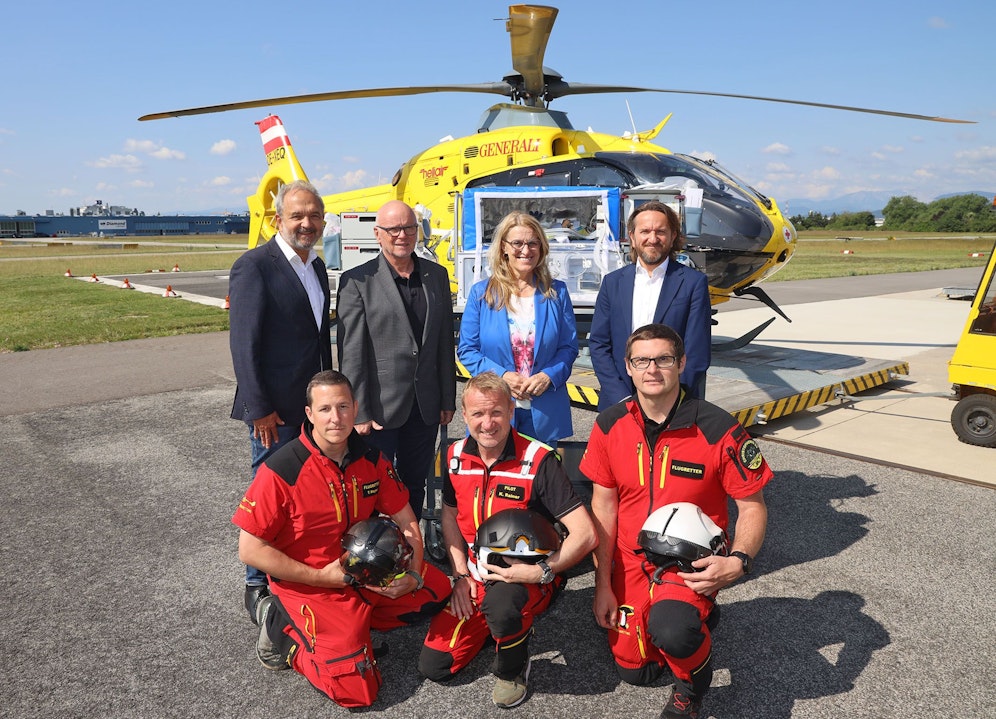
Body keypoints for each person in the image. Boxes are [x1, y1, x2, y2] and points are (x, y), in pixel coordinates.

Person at [581, 323, 772, 719]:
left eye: (664, 359)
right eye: (642, 360)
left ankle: (692, 689)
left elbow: (752, 506)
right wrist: (602, 584)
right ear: (628, 368)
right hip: (631, 561)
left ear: (681, 363)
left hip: (687, 563)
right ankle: (699, 617)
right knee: (638, 672)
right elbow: (603, 506)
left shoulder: (720, 429)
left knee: (673, 633)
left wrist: (738, 562)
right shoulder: (608, 425)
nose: (653, 369)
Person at [232, 370, 451, 707]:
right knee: (358, 691)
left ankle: (353, 630)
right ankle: (285, 633)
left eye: (343, 407)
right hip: (313, 584)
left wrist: (415, 573)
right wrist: (322, 576)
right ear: (309, 414)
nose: (336, 418)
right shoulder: (282, 470)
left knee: (436, 589)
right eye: (325, 409)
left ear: (355, 408)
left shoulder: (370, 458)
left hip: (365, 573)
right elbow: (249, 549)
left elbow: (407, 519)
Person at [418, 372, 597, 708]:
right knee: (436, 666)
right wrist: (459, 576)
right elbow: (449, 516)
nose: (488, 423)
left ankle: (512, 668)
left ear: (511, 410)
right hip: (474, 576)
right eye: (478, 414)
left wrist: (543, 570)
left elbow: (585, 533)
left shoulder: (538, 460)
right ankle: (498, 625)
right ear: (464, 414)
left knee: (503, 607)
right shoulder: (454, 455)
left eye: (496, 412)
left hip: (527, 577)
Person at [228, 179, 333, 624]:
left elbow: (317, 340)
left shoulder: (318, 267)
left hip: (310, 408)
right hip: (273, 411)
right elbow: (243, 344)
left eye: (313, 216)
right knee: (268, 497)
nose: (306, 223)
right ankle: (257, 586)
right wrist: (259, 409)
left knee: (305, 496)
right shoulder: (255, 266)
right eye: (297, 216)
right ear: (278, 220)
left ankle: (292, 574)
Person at [336, 200, 456, 520]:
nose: (401, 235)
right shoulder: (356, 281)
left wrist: (447, 397)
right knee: (373, 487)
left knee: (415, 484)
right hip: (378, 410)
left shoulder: (437, 276)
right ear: (378, 234)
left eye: (409, 228)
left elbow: (444, 342)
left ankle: (410, 548)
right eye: (393, 229)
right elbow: (351, 353)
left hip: (426, 405)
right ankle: (376, 554)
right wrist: (356, 410)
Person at [457, 211, 579, 445]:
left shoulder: (557, 293)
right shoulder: (482, 294)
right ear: (503, 247)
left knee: (541, 479)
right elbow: (468, 350)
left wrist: (548, 376)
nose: (526, 250)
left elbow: (568, 348)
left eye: (533, 243)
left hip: (544, 409)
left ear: (541, 248)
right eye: (517, 243)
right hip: (495, 408)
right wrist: (502, 376)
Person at [589, 200, 711, 408]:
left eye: (661, 231)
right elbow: (599, 344)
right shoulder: (613, 283)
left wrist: (668, 398)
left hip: (674, 405)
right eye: (645, 231)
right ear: (632, 237)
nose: (652, 239)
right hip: (620, 402)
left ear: (673, 237)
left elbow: (697, 353)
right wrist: (621, 397)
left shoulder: (693, 283)